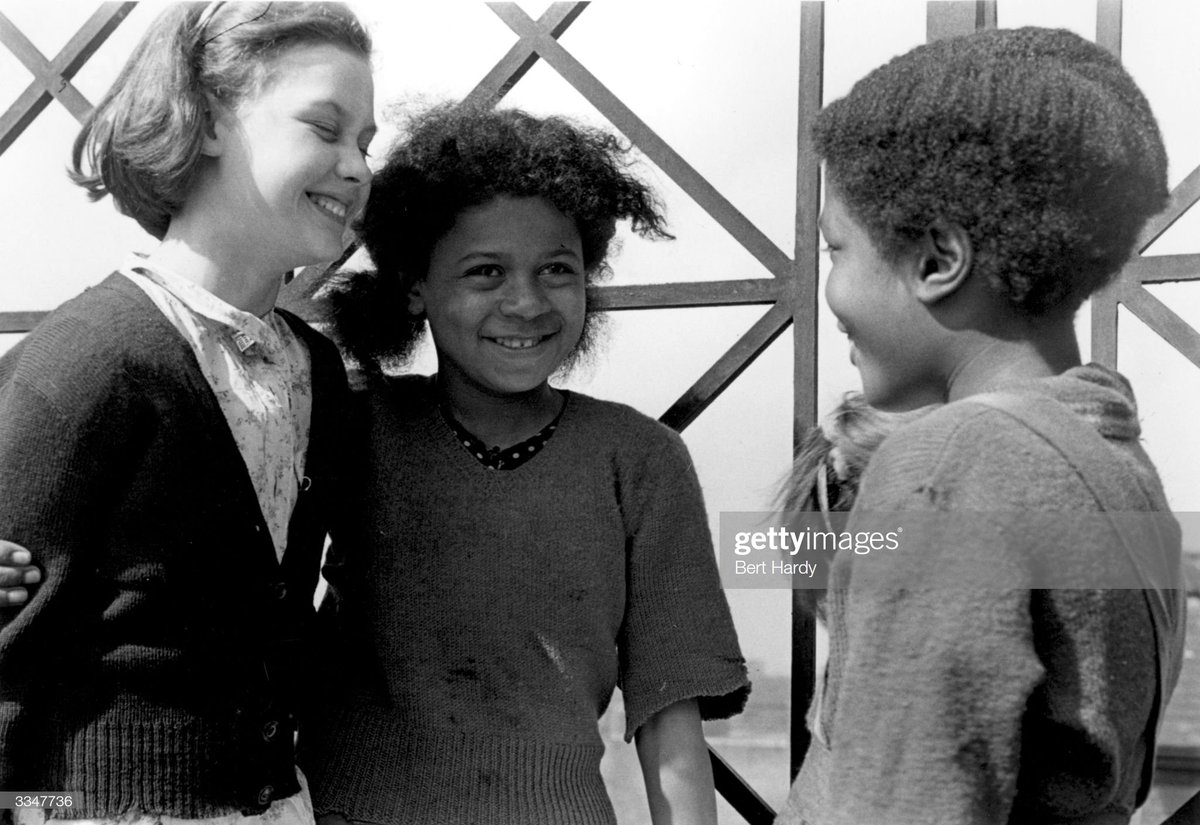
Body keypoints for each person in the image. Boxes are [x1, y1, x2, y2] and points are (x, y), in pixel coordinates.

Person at [293, 104, 750, 825]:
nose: (527, 301)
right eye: (485, 271)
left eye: (556, 270)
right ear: (415, 285)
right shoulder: (350, 424)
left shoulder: (639, 461)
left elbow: (669, 718)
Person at [777, 27, 1187, 825]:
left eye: (836, 249)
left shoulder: (950, 461)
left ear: (937, 261)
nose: (830, 292)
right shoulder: (1112, 456)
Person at [0, 4, 374, 822]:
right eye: (325, 126)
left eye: (367, 143)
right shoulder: (93, 357)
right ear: (204, 119)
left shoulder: (314, 370)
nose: (355, 166)